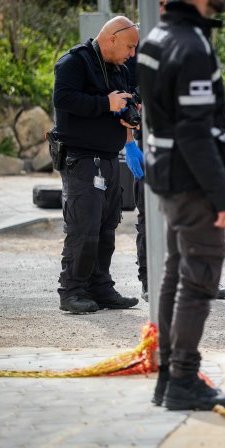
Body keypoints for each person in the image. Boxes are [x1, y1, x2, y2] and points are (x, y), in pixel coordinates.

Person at [137, 0, 225, 411]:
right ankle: (182, 379)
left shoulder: (157, 37)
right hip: (193, 183)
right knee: (198, 281)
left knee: (176, 276)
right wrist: (224, 197)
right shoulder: (192, 46)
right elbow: (196, 134)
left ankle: (168, 377)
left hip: (168, 178)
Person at [125, 0, 225, 303]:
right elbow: (126, 98)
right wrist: (130, 141)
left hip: (186, 146)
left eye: (165, 4)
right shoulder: (137, 46)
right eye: (155, 4)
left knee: (192, 217)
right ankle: (150, 281)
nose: (161, 10)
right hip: (149, 144)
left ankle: (198, 281)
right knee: (150, 216)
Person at [52, 16, 141, 314]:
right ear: (112, 38)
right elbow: (63, 99)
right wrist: (106, 104)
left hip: (108, 158)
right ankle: (72, 290)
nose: (131, 54)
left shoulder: (119, 69)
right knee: (84, 226)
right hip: (81, 159)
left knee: (107, 225)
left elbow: (122, 104)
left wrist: (128, 113)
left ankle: (100, 287)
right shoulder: (74, 62)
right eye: (129, 47)